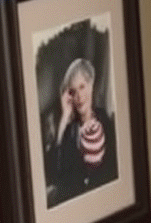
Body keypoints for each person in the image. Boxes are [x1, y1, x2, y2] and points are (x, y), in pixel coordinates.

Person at [48, 57, 118, 204]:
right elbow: (53, 174)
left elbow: (114, 170)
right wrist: (64, 118)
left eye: (82, 86)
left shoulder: (104, 119)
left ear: (91, 85)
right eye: (73, 91)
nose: (79, 96)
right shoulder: (69, 130)